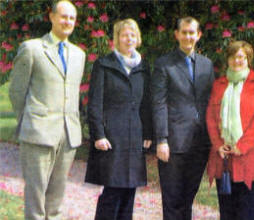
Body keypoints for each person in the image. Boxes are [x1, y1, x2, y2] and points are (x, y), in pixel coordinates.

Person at [8, 1, 85, 219]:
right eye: (63, 16)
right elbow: (17, 91)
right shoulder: (32, 49)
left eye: (72, 18)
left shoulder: (79, 55)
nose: (68, 21)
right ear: (51, 16)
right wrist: (31, 121)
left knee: (56, 200)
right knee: (36, 200)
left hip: (68, 135)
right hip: (37, 134)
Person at [84, 18, 152, 220]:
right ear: (117, 39)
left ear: (138, 39)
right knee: (112, 191)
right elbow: (95, 103)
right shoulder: (104, 65)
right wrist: (98, 134)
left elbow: (146, 103)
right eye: (124, 35)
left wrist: (148, 132)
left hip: (135, 136)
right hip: (112, 137)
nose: (128, 38)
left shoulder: (143, 67)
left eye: (132, 35)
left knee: (130, 189)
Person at [151, 16, 215, 220]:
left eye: (192, 32)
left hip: (200, 142)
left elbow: (212, 101)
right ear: (177, 35)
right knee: (172, 200)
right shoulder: (164, 64)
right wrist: (161, 139)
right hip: (174, 142)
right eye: (184, 32)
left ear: (198, 35)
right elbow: (158, 103)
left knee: (188, 198)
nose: (188, 36)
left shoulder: (206, 64)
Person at [206, 41, 254, 220]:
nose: (237, 61)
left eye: (241, 57)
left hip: (250, 157)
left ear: (248, 59)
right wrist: (218, 144)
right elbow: (211, 117)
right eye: (233, 57)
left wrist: (242, 146)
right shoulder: (219, 84)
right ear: (228, 60)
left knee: (248, 212)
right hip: (224, 158)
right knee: (227, 213)